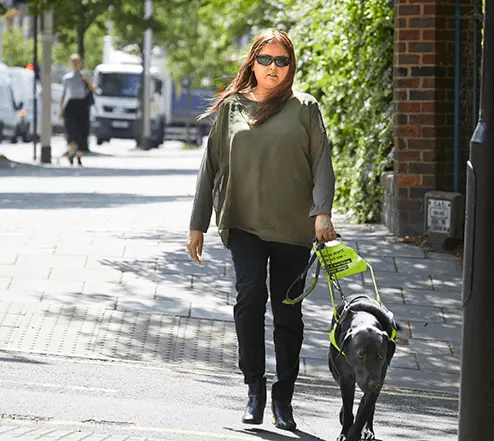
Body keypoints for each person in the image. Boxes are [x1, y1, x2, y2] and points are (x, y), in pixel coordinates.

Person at [186, 29, 336, 432]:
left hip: (292, 227)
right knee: (249, 300)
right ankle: (254, 387)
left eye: (281, 61)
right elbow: (210, 167)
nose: (274, 68)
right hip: (243, 223)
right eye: (266, 59)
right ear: (252, 62)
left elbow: (322, 161)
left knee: (288, 313)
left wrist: (322, 213)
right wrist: (197, 224)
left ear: (291, 66)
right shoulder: (233, 108)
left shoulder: (305, 107)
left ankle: (284, 397)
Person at [59, 54, 95, 166]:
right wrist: (60, 110)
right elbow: (63, 95)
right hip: (71, 105)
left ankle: (79, 155)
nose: (76, 65)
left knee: (81, 131)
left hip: (82, 106)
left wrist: (88, 82)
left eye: (77, 62)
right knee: (71, 131)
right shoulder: (67, 78)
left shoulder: (85, 76)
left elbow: (94, 90)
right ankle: (71, 152)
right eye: (73, 63)